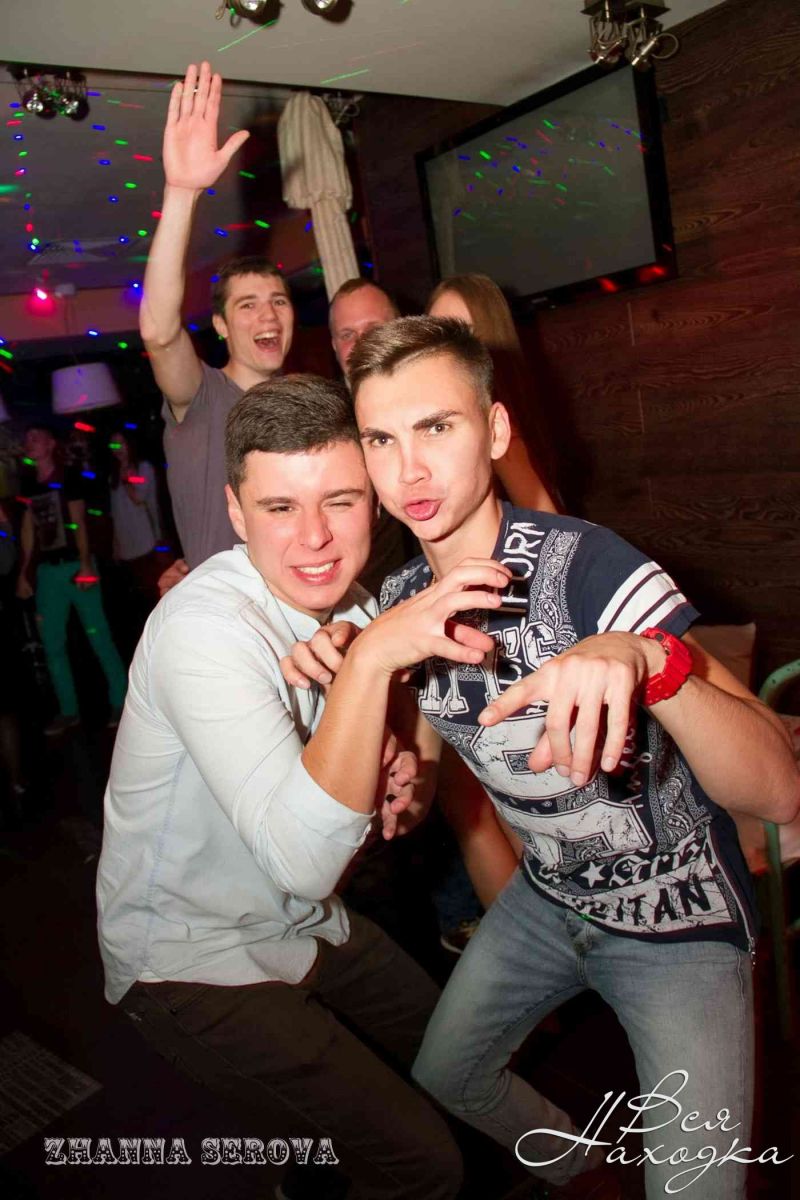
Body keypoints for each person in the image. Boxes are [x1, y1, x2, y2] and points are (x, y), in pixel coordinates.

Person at [289, 316, 799, 1198]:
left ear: (494, 431)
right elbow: (423, 761)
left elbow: (780, 789)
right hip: (547, 900)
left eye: (436, 427)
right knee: (445, 1074)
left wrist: (649, 660)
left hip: (677, 924)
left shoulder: (590, 567)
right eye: (381, 439)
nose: (408, 471)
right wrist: (379, 730)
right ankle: (584, 1169)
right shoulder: (402, 602)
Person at [96, 373, 512, 1200]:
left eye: (341, 501)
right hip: (188, 955)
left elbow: (366, 783)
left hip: (304, 920)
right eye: (280, 506)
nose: (314, 538)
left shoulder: (354, 604)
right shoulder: (204, 632)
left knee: (461, 1058)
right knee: (424, 1166)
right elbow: (305, 859)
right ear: (235, 511)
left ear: (375, 503)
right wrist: (375, 664)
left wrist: (399, 772)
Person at [140, 60, 294, 591]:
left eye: (278, 301)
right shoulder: (202, 397)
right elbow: (159, 332)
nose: (268, 315)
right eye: (248, 305)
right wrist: (182, 192)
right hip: (227, 621)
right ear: (221, 326)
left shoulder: (306, 403)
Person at [15, 425, 128, 736]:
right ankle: (68, 711)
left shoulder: (69, 477)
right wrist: (24, 572)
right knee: (52, 643)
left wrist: (86, 563)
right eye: (27, 438)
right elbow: (28, 530)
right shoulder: (29, 483)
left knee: (99, 637)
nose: (29, 442)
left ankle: (121, 702)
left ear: (51, 444)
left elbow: (79, 523)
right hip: (48, 573)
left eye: (35, 437)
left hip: (76, 566)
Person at [427, 273, 560, 513]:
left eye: (463, 335)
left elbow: (550, 526)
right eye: (438, 333)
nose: (446, 348)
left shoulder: (497, 424)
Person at [108, 429, 165, 651]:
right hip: (126, 546)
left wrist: (127, 478)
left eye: (120, 443)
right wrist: (115, 544)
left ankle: (161, 641)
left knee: (153, 595)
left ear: (129, 444)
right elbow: (115, 512)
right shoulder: (112, 475)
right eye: (113, 445)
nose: (117, 450)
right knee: (137, 601)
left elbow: (139, 498)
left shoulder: (143, 468)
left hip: (146, 542)